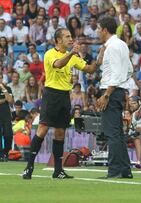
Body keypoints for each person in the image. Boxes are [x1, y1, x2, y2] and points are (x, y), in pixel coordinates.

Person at [22, 28, 100, 180]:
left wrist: (101, 57)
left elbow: (89, 69)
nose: (70, 39)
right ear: (58, 40)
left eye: (71, 36)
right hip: (51, 95)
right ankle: (29, 166)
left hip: (65, 96)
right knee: (43, 129)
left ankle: (58, 170)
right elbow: (58, 64)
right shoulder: (50, 54)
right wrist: (72, 53)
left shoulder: (72, 56)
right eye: (67, 36)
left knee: (60, 133)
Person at [96, 17, 134, 179]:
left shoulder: (112, 47)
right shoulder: (122, 45)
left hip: (111, 91)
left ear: (105, 29)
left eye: (99, 28)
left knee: (112, 133)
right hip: (119, 90)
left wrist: (106, 94)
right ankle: (125, 170)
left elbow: (117, 73)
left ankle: (114, 170)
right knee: (117, 133)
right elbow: (129, 70)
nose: (98, 32)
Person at [0, 73, 13, 162]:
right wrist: (4, 100)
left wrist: (3, 89)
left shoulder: (7, 88)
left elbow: (10, 100)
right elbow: (6, 100)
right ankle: (1, 155)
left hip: (6, 115)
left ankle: (6, 152)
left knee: (9, 135)